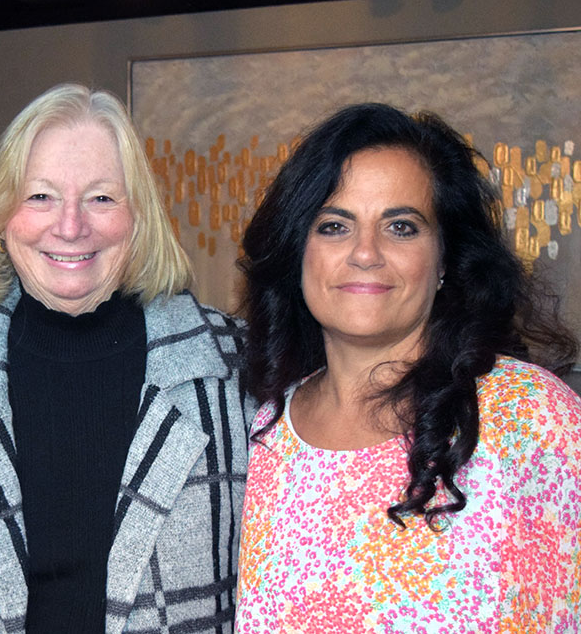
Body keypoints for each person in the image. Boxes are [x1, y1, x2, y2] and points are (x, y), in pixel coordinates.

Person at [0, 83, 247, 633]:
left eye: (101, 197)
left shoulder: (235, 368)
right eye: (39, 196)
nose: (70, 226)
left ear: (139, 220)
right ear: (1, 219)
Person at [234, 103, 581, 631]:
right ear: (296, 252)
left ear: (444, 259)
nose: (366, 253)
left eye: (401, 226)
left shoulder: (530, 417)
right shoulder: (267, 431)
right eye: (333, 226)